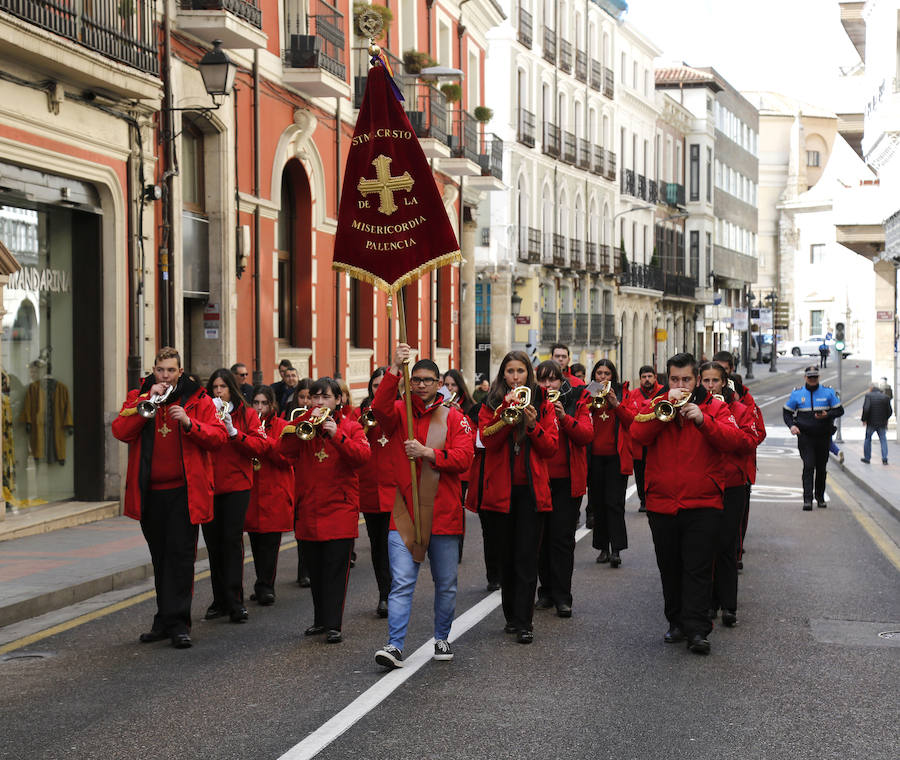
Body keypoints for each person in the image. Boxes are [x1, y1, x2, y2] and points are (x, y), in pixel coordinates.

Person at [111, 347, 227, 649]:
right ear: (154, 370)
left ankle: (179, 623)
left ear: (180, 371)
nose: (165, 376)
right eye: (160, 370)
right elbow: (120, 431)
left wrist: (190, 423)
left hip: (184, 493)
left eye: (171, 371)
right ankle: (163, 620)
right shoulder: (140, 396)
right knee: (160, 558)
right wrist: (145, 403)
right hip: (151, 494)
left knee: (181, 557)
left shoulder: (197, 398)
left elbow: (217, 438)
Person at [631, 353, 746, 655]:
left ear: (696, 380)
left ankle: (697, 629)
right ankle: (676, 622)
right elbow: (637, 434)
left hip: (703, 500)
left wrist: (703, 421)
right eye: (674, 379)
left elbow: (735, 441)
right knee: (669, 567)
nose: (679, 385)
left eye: (685, 379)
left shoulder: (716, 406)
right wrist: (660, 412)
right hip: (662, 501)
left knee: (697, 568)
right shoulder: (656, 403)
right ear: (666, 379)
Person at [372, 345, 475, 668]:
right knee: (401, 582)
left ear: (439, 382)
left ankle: (442, 637)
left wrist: (429, 453)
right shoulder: (400, 412)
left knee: (445, 584)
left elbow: (465, 459)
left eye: (427, 380)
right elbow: (379, 408)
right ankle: (394, 645)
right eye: (415, 379)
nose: (420, 385)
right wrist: (393, 368)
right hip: (406, 511)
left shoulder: (455, 416)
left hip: (443, 514)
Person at [278, 378, 370, 643]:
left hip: (339, 509)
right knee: (315, 571)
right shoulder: (304, 425)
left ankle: (334, 623)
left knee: (335, 571)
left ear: (338, 400)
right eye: (314, 397)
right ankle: (320, 620)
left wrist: (336, 434)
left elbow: (362, 458)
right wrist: (304, 420)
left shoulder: (351, 427)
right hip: (309, 508)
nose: (318, 402)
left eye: (325, 397)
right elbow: (282, 451)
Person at [477, 351, 558, 644]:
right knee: (506, 559)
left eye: (520, 371)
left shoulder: (543, 403)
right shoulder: (490, 403)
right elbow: (487, 439)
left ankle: (525, 622)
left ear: (528, 375)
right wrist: (505, 414)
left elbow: (550, 448)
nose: (515, 377)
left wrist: (533, 425)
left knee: (526, 558)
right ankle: (511, 615)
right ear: (503, 375)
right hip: (501, 492)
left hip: (531, 493)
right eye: (510, 371)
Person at [698, 362, 761, 628]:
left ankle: (729, 605)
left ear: (724, 382)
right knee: (706, 545)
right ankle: (710, 602)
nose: (710, 386)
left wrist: (723, 427)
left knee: (727, 546)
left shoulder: (742, 410)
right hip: (706, 483)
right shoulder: (697, 410)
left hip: (733, 484)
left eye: (715, 381)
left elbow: (750, 441)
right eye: (706, 381)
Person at [203, 369, 268, 624]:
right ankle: (219, 599)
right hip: (210, 485)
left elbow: (260, 446)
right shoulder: (206, 412)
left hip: (237, 485)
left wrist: (234, 433)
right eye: (214, 387)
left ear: (232, 389)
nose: (218, 391)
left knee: (231, 542)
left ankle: (234, 600)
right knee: (213, 544)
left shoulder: (247, 414)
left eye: (223, 387)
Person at [533, 361, 592, 616]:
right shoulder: (531, 400)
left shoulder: (577, 398)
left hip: (567, 480)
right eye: (543, 381)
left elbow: (586, 435)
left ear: (561, 381)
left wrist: (563, 417)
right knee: (540, 539)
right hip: (539, 478)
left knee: (562, 539)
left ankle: (562, 595)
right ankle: (545, 591)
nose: (548, 385)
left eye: (552, 380)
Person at [244, 386, 295, 606]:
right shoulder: (248, 425)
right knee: (256, 542)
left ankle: (267, 586)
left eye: (264, 403)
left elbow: (287, 458)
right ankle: (261, 582)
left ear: (272, 405)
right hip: (254, 492)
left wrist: (266, 441)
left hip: (274, 491)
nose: (260, 408)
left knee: (271, 544)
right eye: (256, 403)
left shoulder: (283, 427)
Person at [587, 359, 634, 568]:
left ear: (613, 376)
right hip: (594, 457)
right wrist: (591, 400)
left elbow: (632, 422)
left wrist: (616, 403)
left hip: (616, 457)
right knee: (598, 504)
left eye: (607, 374)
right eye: (599, 373)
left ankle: (616, 549)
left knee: (614, 504)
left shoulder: (622, 394)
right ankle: (602, 548)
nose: (602, 377)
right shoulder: (589, 392)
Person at [353, 367, 393, 618]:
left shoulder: (399, 410)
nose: (379, 390)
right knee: (378, 546)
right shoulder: (360, 414)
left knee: (396, 547)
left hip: (395, 488)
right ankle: (384, 594)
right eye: (376, 386)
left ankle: (395, 593)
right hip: (369, 489)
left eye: (384, 385)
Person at [783, 366, 844, 510]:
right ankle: (807, 499)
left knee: (821, 468)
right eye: (810, 377)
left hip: (823, 437)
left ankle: (820, 497)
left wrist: (827, 415)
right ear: (805, 378)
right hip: (805, 438)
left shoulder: (828, 392)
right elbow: (787, 413)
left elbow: (839, 410)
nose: (812, 380)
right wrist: (792, 426)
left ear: (819, 377)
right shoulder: (797, 394)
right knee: (809, 466)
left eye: (815, 377)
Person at [626, 366, 664, 513]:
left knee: (658, 472)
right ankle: (643, 501)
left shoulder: (662, 392)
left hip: (657, 442)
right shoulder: (633, 394)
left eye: (649, 376)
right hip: (639, 443)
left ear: (655, 377)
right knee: (640, 473)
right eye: (644, 377)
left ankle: (657, 499)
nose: (647, 379)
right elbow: (631, 415)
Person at [861, 383, 893, 465]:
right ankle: (884, 458)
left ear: (871, 388)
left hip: (871, 423)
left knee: (868, 439)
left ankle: (867, 458)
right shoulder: (885, 397)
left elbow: (866, 408)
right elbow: (889, 411)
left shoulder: (868, 396)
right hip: (882, 423)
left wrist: (864, 419)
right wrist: (885, 419)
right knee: (883, 440)